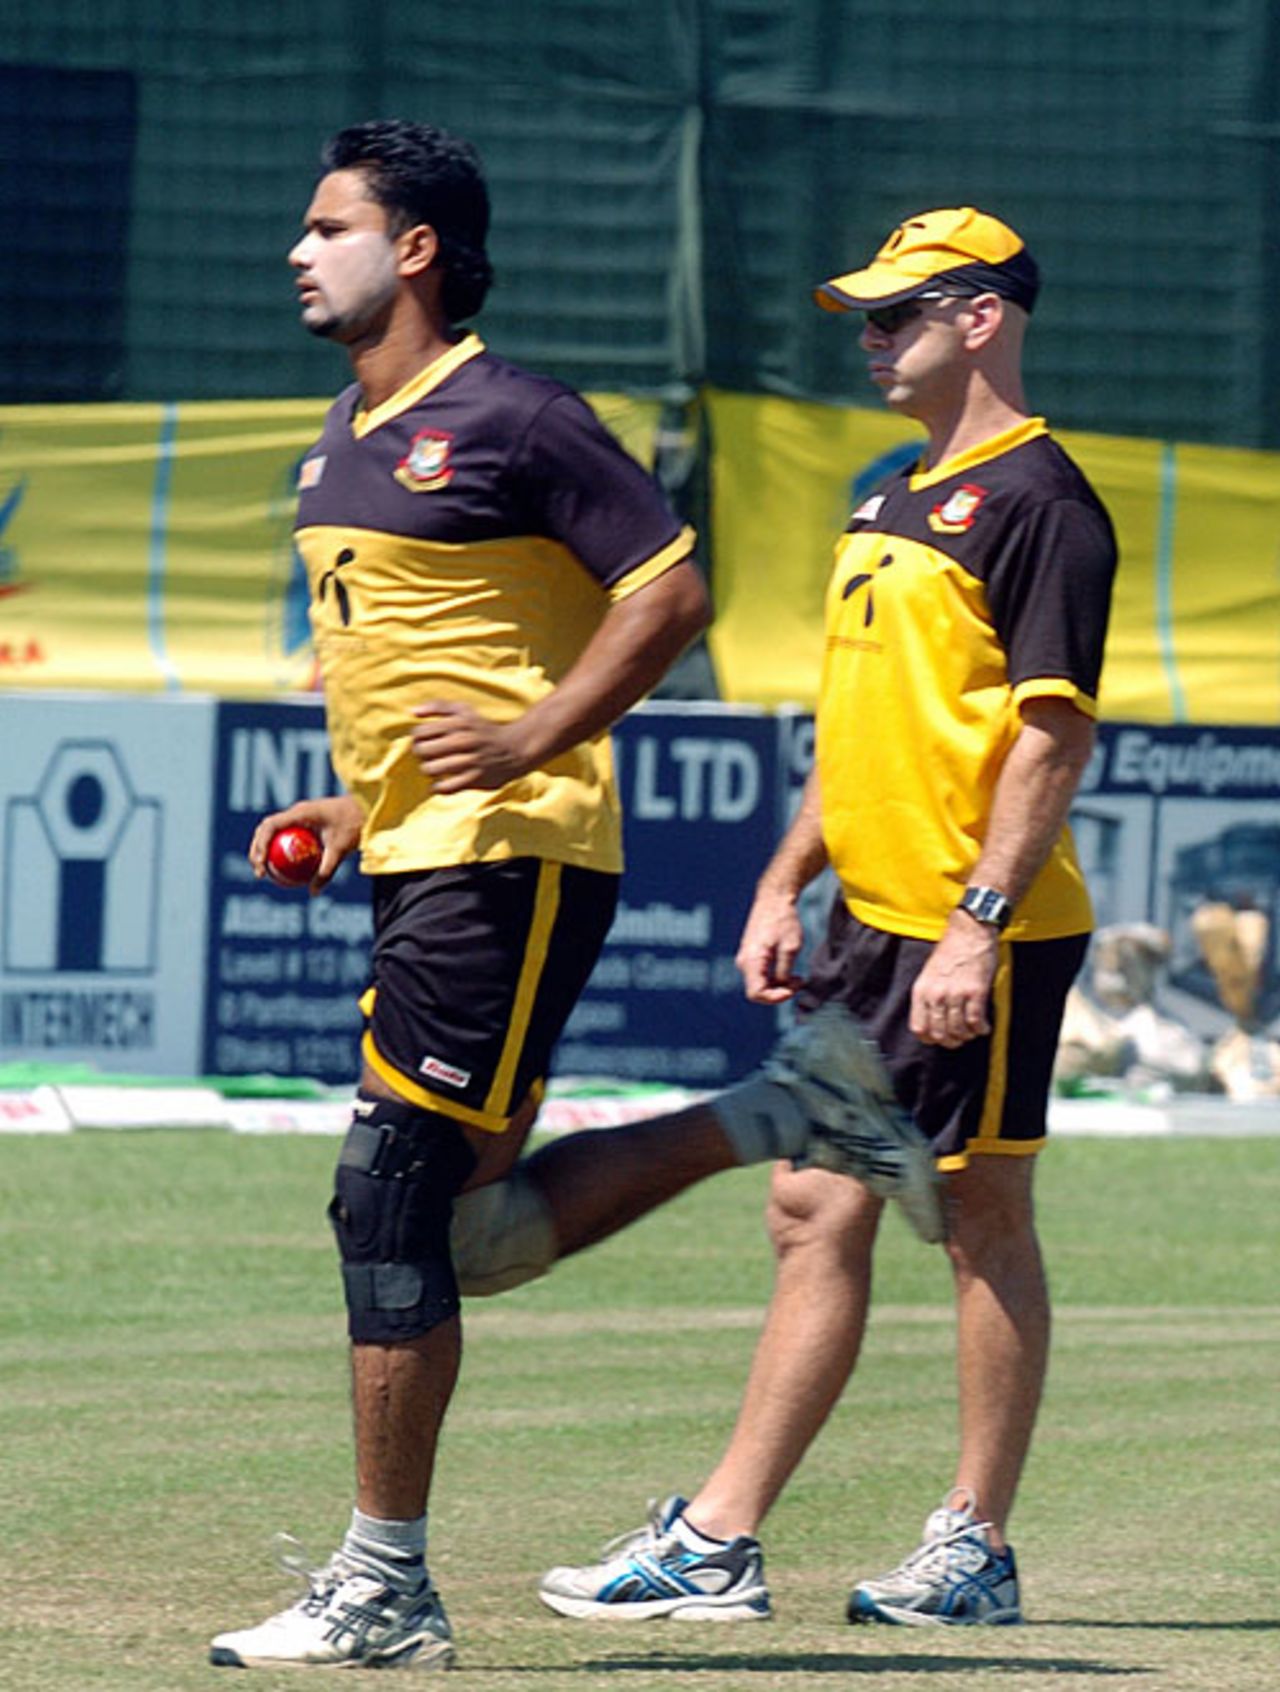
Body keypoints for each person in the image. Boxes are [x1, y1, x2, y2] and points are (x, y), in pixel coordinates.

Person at [208, 122, 939, 1672]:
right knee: (460, 1241)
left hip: (513, 857)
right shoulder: (339, 438)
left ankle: (386, 1585)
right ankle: (785, 1109)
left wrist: (539, 736)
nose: (298, 248)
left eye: (327, 224)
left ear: (413, 250)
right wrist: (358, 801)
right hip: (419, 855)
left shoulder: (518, 415)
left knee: (387, 1200)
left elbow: (673, 591)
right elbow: (440, 664)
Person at [532, 207, 1117, 1626]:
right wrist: (782, 874)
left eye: (896, 315)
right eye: (864, 316)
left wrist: (975, 923)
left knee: (971, 1219)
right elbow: (861, 728)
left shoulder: (1042, 502)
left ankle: (880, 1543)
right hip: (872, 922)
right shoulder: (886, 498)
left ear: (982, 318)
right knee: (823, 1207)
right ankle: (770, 1543)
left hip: (971, 928)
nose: (870, 338)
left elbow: (1050, 741)